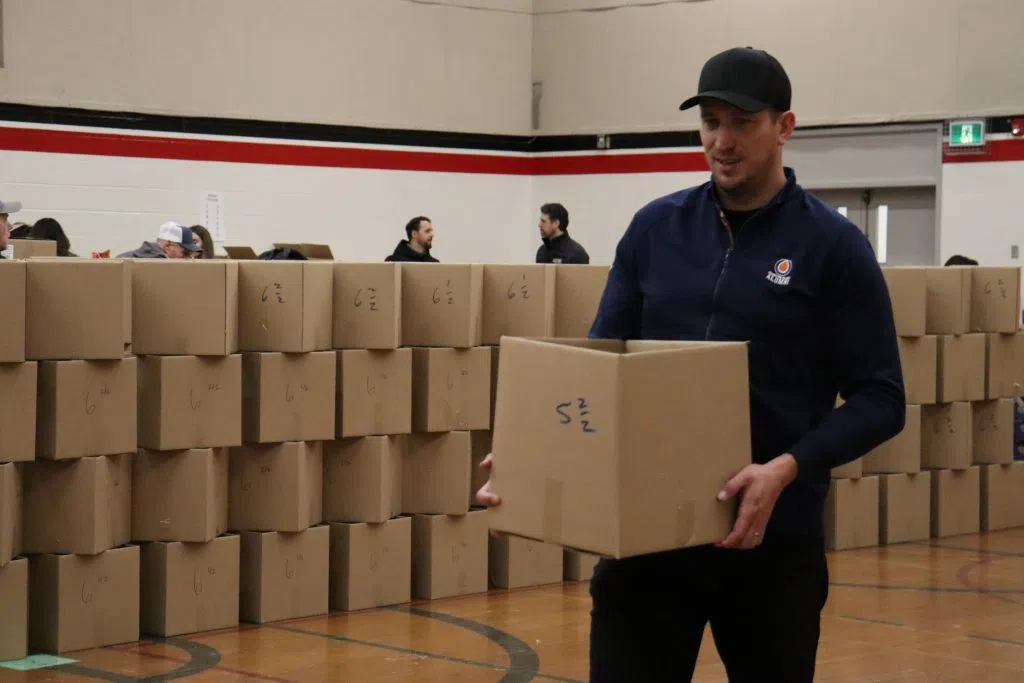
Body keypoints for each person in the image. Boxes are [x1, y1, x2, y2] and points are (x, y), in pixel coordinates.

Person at [476, 47, 905, 682]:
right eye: (710, 122)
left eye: (740, 123)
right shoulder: (655, 229)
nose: (721, 141)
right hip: (647, 543)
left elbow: (881, 399)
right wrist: (532, 459)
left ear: (784, 127)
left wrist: (787, 469)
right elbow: (599, 371)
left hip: (771, 545)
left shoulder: (832, 248)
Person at [117, 221, 201, 259]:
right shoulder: (161, 268)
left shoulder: (123, 258)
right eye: (184, 253)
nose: (188, 258)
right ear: (167, 245)